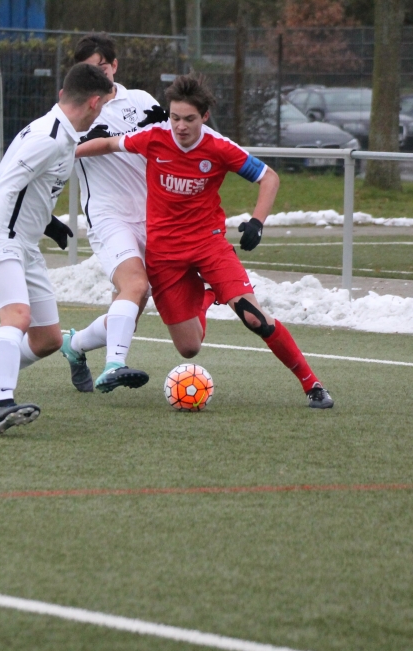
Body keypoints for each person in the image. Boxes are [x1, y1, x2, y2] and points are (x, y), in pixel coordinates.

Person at [76, 74, 334, 409]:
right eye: (174, 117)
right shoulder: (154, 137)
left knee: (253, 317)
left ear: (205, 116)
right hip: (164, 256)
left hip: (208, 245)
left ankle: (312, 385)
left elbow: (269, 177)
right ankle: (208, 294)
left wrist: (257, 222)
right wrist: (66, 152)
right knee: (189, 348)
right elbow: (110, 145)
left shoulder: (218, 147)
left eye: (189, 119)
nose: (180, 126)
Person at [0, 63, 114, 434]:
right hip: (1, 241)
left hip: (24, 244)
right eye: (103, 106)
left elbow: (29, 187)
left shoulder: (64, 133)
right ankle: (2, 404)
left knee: (47, 340)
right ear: (94, 102)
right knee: (17, 317)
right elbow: (3, 189)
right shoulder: (49, 138)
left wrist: (47, 222)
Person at [58, 33, 169, 394]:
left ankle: (74, 345)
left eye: (102, 67)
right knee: (135, 285)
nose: (97, 75)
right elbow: (53, 156)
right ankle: (114, 366)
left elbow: (171, 145)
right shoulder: (75, 112)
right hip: (108, 217)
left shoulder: (142, 102)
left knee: (130, 310)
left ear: (115, 66)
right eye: (88, 69)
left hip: (151, 215)